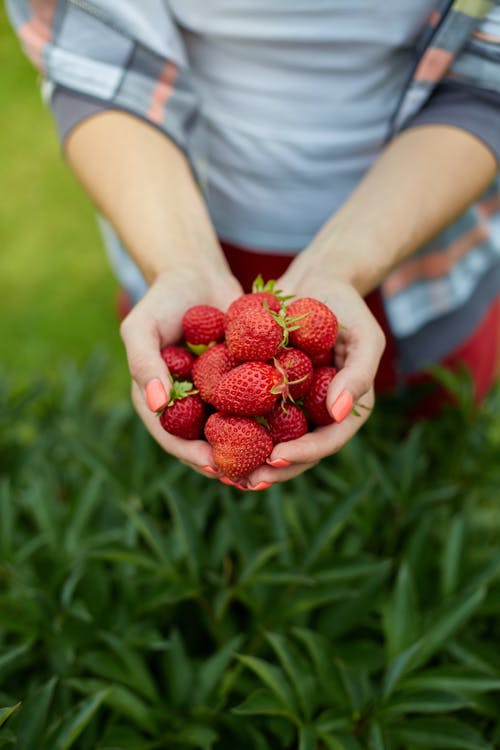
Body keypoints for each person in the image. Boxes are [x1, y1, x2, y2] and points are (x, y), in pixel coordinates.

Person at [7, 0, 500, 490]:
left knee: (423, 464)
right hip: (172, 223)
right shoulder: (215, 336)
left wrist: (340, 268)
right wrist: (179, 262)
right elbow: (94, 56)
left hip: (423, 252)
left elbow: (486, 81)